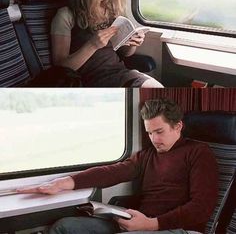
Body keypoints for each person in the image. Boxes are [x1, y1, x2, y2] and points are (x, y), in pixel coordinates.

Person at [17, 98, 218, 234]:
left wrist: (151, 224)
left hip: (177, 228)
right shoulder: (147, 155)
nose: (154, 139)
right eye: (149, 133)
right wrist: (65, 182)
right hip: (137, 221)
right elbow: (113, 172)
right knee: (64, 227)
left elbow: (201, 208)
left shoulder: (199, 153)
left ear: (178, 126)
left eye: (159, 131)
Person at [50, 0, 163, 87]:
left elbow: (125, 53)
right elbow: (60, 69)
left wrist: (133, 43)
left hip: (120, 73)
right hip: (89, 81)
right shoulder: (66, 15)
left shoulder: (112, 12)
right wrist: (92, 45)